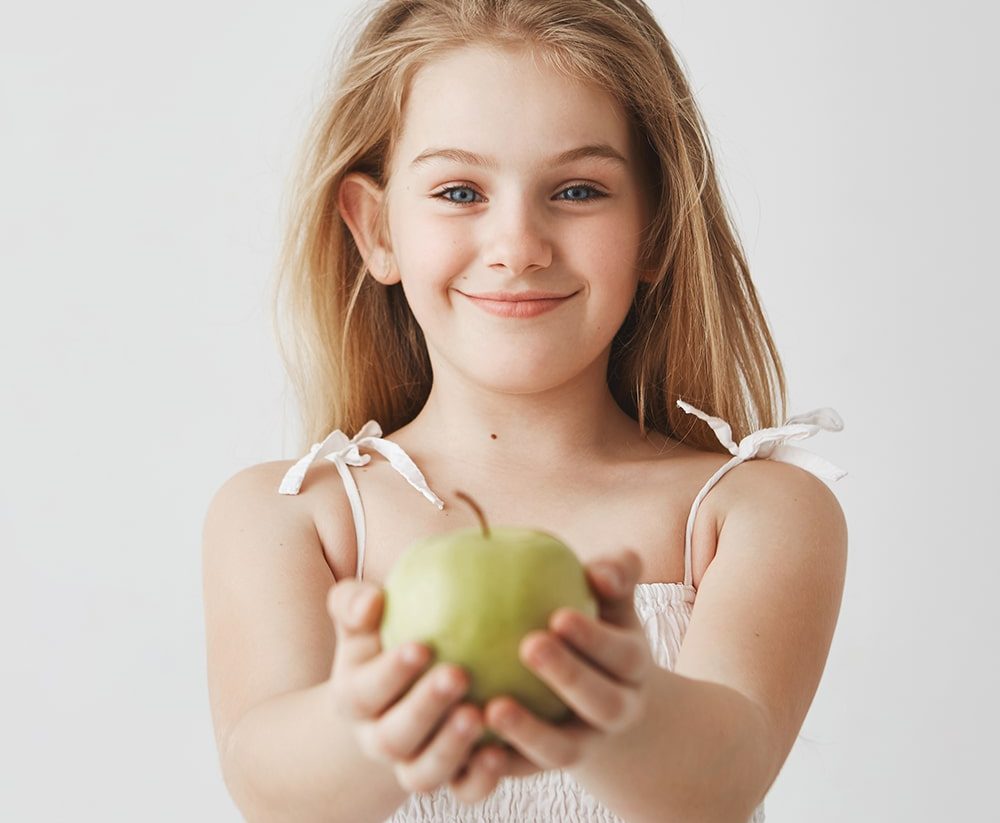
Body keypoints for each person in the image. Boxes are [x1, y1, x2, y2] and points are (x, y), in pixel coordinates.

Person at [201, 1, 849, 821]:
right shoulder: (295, 516)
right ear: (376, 230)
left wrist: (618, 706)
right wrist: (370, 721)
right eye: (460, 190)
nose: (518, 245)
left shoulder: (752, 511)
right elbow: (269, 784)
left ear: (655, 228)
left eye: (577, 190)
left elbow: (722, 782)